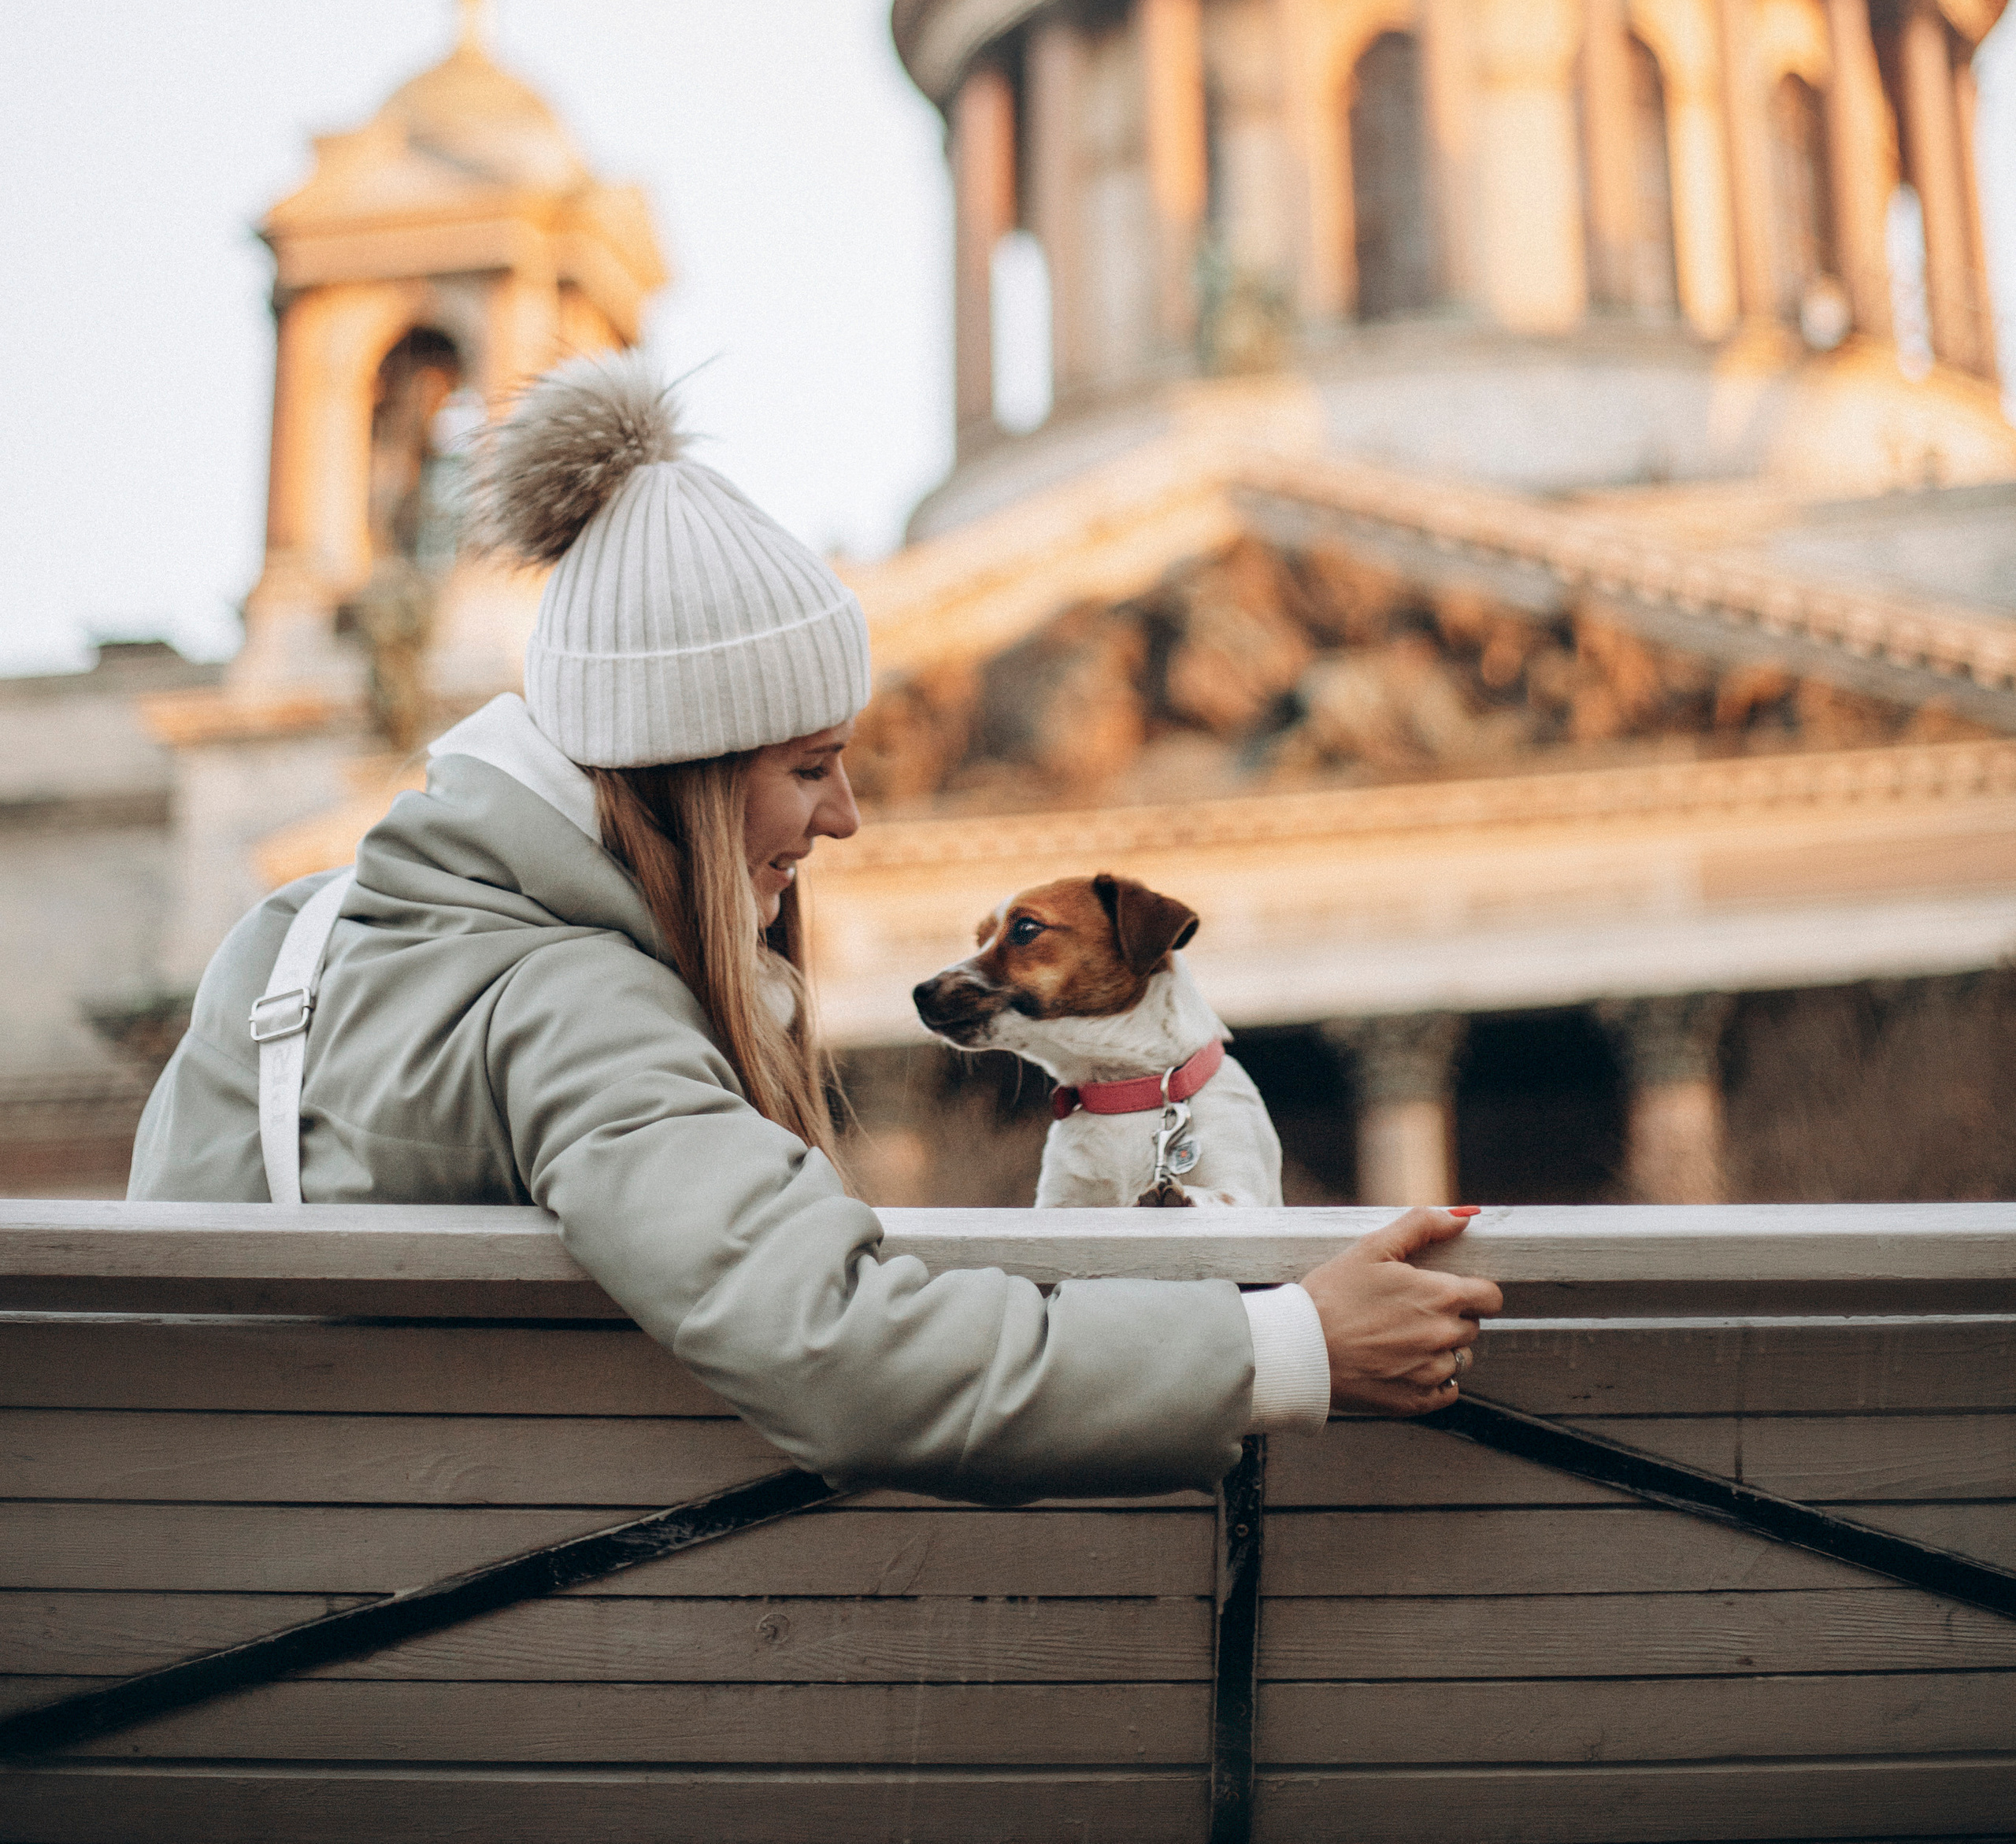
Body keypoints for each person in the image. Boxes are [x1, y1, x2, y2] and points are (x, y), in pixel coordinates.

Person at [132, 353, 1499, 1500]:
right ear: (688, 769)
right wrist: (1290, 1344)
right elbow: (848, 1355)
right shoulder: (577, 1009)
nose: (844, 815)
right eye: (807, 767)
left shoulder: (283, 941)